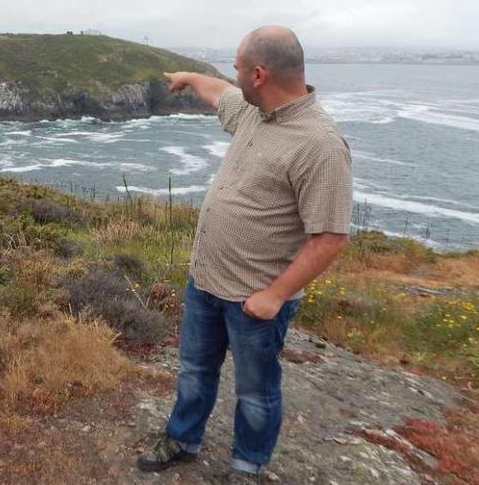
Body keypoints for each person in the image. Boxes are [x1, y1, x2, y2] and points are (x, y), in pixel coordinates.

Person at [137, 25, 353, 481]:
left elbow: (330, 237)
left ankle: (247, 465)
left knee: (255, 392)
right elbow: (219, 93)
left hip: (255, 300)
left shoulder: (320, 144)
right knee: (194, 371)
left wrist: (275, 296)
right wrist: (189, 77)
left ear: (259, 73)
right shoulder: (256, 111)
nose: (233, 78)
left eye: (238, 68)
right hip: (206, 282)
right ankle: (183, 438)